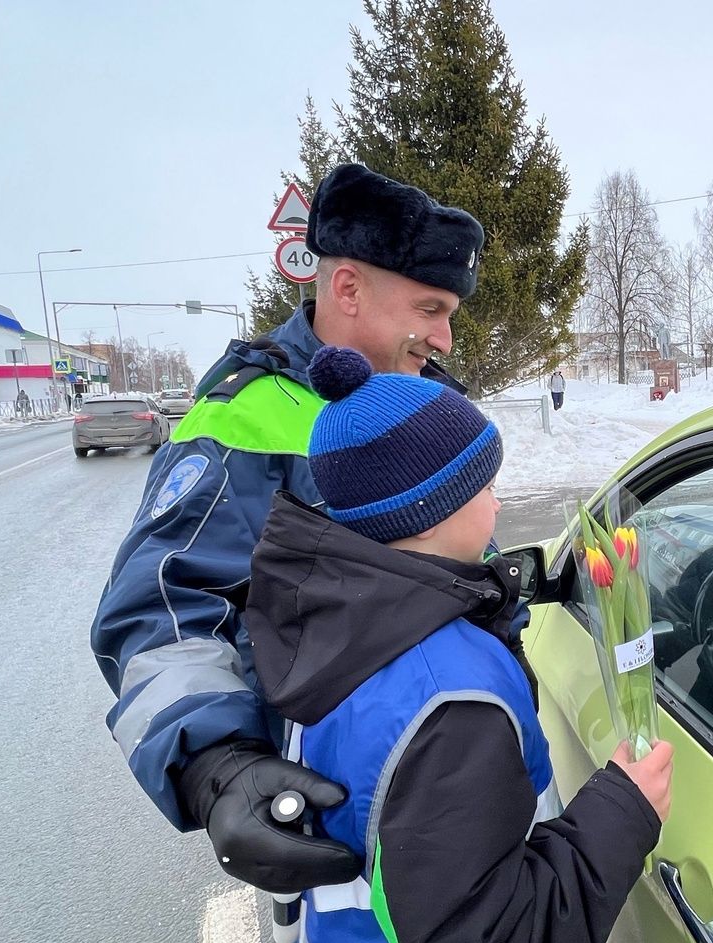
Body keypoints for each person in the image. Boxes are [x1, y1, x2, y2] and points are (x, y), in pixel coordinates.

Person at [90, 163, 487, 895]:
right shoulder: (246, 415)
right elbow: (161, 610)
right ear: (345, 289)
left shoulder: (423, 400)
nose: (447, 337)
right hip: (336, 814)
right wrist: (218, 764)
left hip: (452, 783)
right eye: (431, 309)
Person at [247, 346, 673, 943]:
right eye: (485, 487)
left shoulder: (332, 627)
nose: (498, 504)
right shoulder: (447, 694)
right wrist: (625, 812)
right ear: (425, 514)